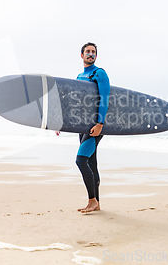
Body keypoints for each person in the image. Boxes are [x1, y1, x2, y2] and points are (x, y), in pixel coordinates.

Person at [56, 42, 110, 213]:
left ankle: (92, 200)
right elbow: (76, 105)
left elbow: (105, 99)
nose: (91, 54)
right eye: (87, 51)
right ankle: (96, 203)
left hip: (95, 126)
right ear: (82, 55)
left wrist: (100, 123)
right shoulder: (80, 77)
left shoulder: (99, 73)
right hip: (82, 126)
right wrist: (62, 123)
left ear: (96, 55)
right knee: (91, 163)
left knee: (81, 160)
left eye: (93, 52)